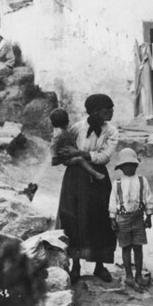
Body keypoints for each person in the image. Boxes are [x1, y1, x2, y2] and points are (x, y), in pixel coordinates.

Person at [56, 94, 119, 283]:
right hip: (75, 178)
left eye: (111, 108)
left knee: (99, 219)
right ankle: (75, 265)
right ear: (94, 111)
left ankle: (99, 266)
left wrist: (81, 153)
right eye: (106, 109)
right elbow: (64, 151)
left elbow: (104, 157)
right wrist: (72, 155)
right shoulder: (77, 128)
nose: (111, 112)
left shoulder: (112, 131)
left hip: (99, 179)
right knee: (75, 218)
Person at [108, 148, 153, 290]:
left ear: (136, 165)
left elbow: (148, 198)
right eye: (125, 165)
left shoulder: (142, 180)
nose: (129, 167)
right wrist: (112, 219)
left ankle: (138, 274)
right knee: (126, 247)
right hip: (123, 218)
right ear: (121, 167)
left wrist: (149, 216)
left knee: (138, 247)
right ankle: (128, 275)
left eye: (131, 165)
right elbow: (112, 202)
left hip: (138, 217)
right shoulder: (117, 183)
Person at [49, 107, 106, 182]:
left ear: (52, 123)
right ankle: (95, 174)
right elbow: (53, 146)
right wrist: (54, 157)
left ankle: (91, 174)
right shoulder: (59, 133)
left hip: (68, 155)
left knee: (82, 159)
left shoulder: (64, 132)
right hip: (65, 158)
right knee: (80, 159)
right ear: (68, 122)